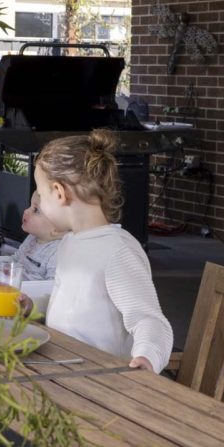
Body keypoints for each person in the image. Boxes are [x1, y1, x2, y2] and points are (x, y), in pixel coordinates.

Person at [32, 129, 172, 372]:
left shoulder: (118, 252)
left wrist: (146, 359)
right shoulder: (71, 242)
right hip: (65, 367)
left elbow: (149, 320)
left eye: (41, 196)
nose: (40, 204)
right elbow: (72, 302)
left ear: (59, 193)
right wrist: (33, 307)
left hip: (103, 379)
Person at [14, 189, 63, 280]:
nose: (26, 211)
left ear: (57, 228)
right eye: (30, 206)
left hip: (33, 293)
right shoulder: (32, 237)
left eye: (35, 210)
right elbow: (16, 259)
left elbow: (52, 287)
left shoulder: (58, 252)